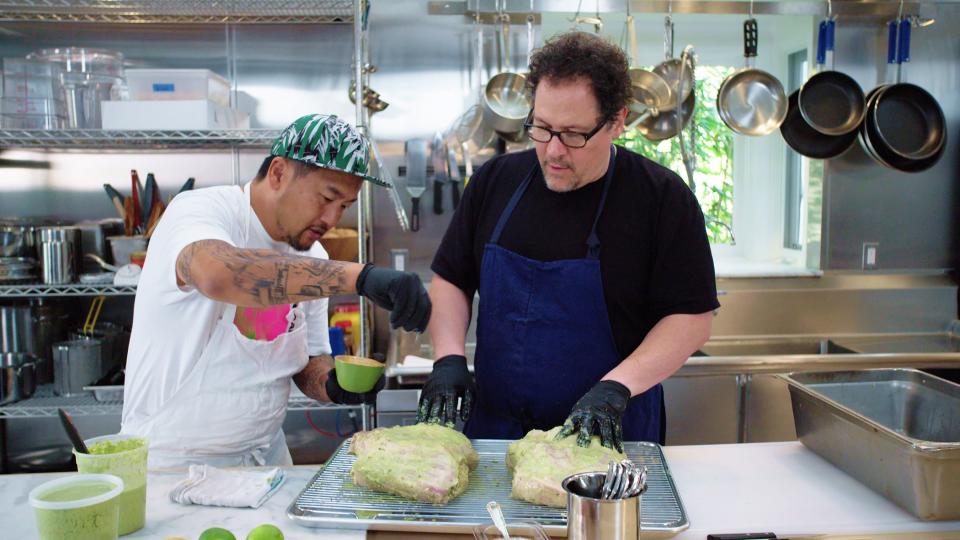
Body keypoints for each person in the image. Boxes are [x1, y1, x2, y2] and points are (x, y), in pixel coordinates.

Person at [418, 32, 719, 451]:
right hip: (497, 433)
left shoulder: (662, 199)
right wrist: (448, 356)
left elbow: (691, 319)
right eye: (542, 128)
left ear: (617, 121)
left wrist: (617, 386)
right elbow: (451, 278)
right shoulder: (495, 181)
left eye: (575, 134)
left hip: (607, 435)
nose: (554, 151)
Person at [121, 114, 431, 468]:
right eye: (327, 197)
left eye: (344, 206)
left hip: (265, 460)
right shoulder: (201, 211)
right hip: (171, 463)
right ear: (279, 173)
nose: (332, 219)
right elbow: (220, 275)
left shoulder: (313, 257)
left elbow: (308, 361)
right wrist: (360, 277)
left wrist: (332, 385)